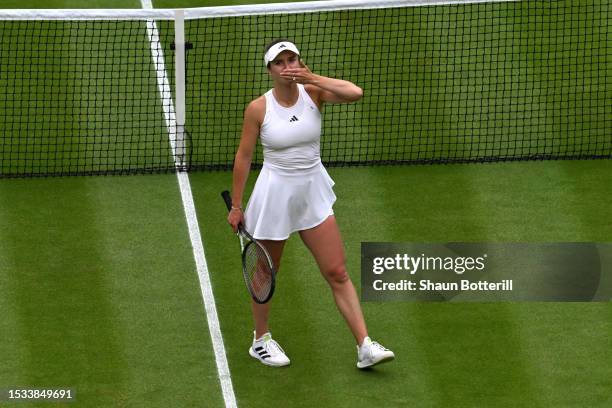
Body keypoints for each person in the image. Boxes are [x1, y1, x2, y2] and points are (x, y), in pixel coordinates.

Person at [227, 39, 394, 369]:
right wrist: (236, 205)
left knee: (337, 271)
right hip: (276, 193)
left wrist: (312, 78)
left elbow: (354, 93)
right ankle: (260, 341)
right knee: (266, 271)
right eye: (280, 62)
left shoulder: (314, 94)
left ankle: (364, 345)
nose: (287, 66)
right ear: (270, 70)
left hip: (311, 191)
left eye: (292, 59)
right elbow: (244, 157)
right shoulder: (258, 108)